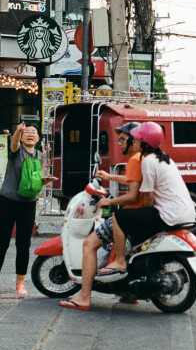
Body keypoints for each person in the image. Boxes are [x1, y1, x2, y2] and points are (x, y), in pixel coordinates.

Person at [59, 122, 196, 310]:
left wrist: (115, 205)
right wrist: (110, 178)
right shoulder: (164, 159)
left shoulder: (144, 160)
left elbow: (145, 198)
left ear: (140, 142)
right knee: (126, 220)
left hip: (167, 214)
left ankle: (93, 288)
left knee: (113, 223)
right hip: (185, 213)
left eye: (131, 139)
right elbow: (138, 185)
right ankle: (128, 290)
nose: (124, 142)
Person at [59, 122, 145, 311]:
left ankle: (84, 297)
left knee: (89, 244)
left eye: (122, 140)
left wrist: (108, 202)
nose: (119, 144)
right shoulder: (142, 158)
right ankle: (128, 292)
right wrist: (109, 177)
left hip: (131, 215)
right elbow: (133, 181)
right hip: (143, 215)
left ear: (134, 140)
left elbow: (134, 194)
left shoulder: (134, 159)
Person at [0, 123, 52, 296]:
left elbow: (36, 178)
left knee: (23, 244)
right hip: (8, 200)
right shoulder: (16, 150)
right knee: (2, 242)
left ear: (38, 138)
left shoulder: (40, 155)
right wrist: (18, 130)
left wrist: (44, 181)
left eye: (33, 133)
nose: (29, 134)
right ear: (21, 137)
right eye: (26, 132)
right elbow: (13, 144)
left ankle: (20, 283)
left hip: (28, 203)